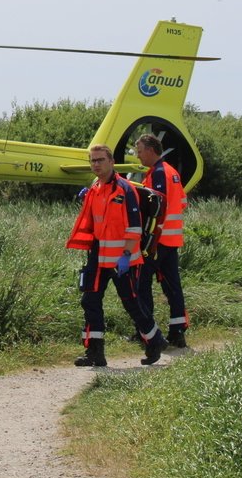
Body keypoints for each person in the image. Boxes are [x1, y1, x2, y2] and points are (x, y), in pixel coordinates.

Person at [67, 144, 168, 367]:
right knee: (90, 300)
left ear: (111, 162)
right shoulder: (95, 188)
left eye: (100, 160)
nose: (96, 164)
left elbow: (134, 227)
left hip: (123, 258)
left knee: (131, 302)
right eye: (92, 160)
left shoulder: (124, 189)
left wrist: (124, 255)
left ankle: (155, 340)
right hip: (98, 255)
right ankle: (95, 353)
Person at [135, 133, 189, 348]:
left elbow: (155, 206)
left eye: (139, 151)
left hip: (157, 240)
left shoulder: (157, 174)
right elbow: (182, 202)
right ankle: (178, 332)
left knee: (142, 284)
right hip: (172, 238)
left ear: (150, 150)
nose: (138, 156)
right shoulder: (171, 172)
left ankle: (147, 333)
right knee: (172, 287)